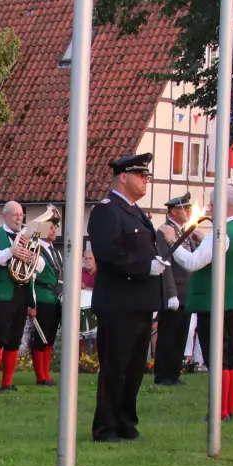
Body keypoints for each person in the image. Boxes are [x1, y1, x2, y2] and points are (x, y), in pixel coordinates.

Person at [87, 153, 164, 442]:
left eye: (147, 176)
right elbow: (108, 254)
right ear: (123, 177)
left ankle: (126, 423)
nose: (146, 181)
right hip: (118, 302)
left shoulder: (137, 212)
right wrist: (145, 266)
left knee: (134, 370)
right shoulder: (107, 210)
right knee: (115, 367)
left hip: (141, 301)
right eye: (140, 175)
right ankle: (106, 426)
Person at [172, 189, 233, 419]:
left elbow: (192, 262)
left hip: (215, 303)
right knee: (231, 357)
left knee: (216, 357)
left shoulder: (219, 233)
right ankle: (229, 409)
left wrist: (172, 243)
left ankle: (218, 411)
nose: (207, 209)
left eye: (210, 205)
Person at [0, 200, 42, 393]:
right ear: (4, 216)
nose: (19, 218)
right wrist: (10, 252)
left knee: (14, 338)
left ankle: (7, 382)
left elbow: (40, 267)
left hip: (20, 292)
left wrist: (32, 258)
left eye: (21, 215)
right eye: (15, 215)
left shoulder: (29, 239)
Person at [153, 196, 195, 386]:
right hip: (174, 291)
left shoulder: (184, 231)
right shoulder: (165, 231)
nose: (188, 211)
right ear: (173, 211)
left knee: (181, 334)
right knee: (168, 334)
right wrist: (171, 293)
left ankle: (174, 372)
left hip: (186, 291)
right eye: (184, 208)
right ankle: (163, 374)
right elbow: (165, 262)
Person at [24, 211, 64, 387]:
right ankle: (40, 375)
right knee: (40, 338)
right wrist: (31, 303)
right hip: (41, 297)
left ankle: (46, 373)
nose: (54, 230)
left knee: (50, 338)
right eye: (50, 227)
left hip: (55, 298)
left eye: (55, 227)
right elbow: (31, 277)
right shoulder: (35, 249)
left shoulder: (56, 251)